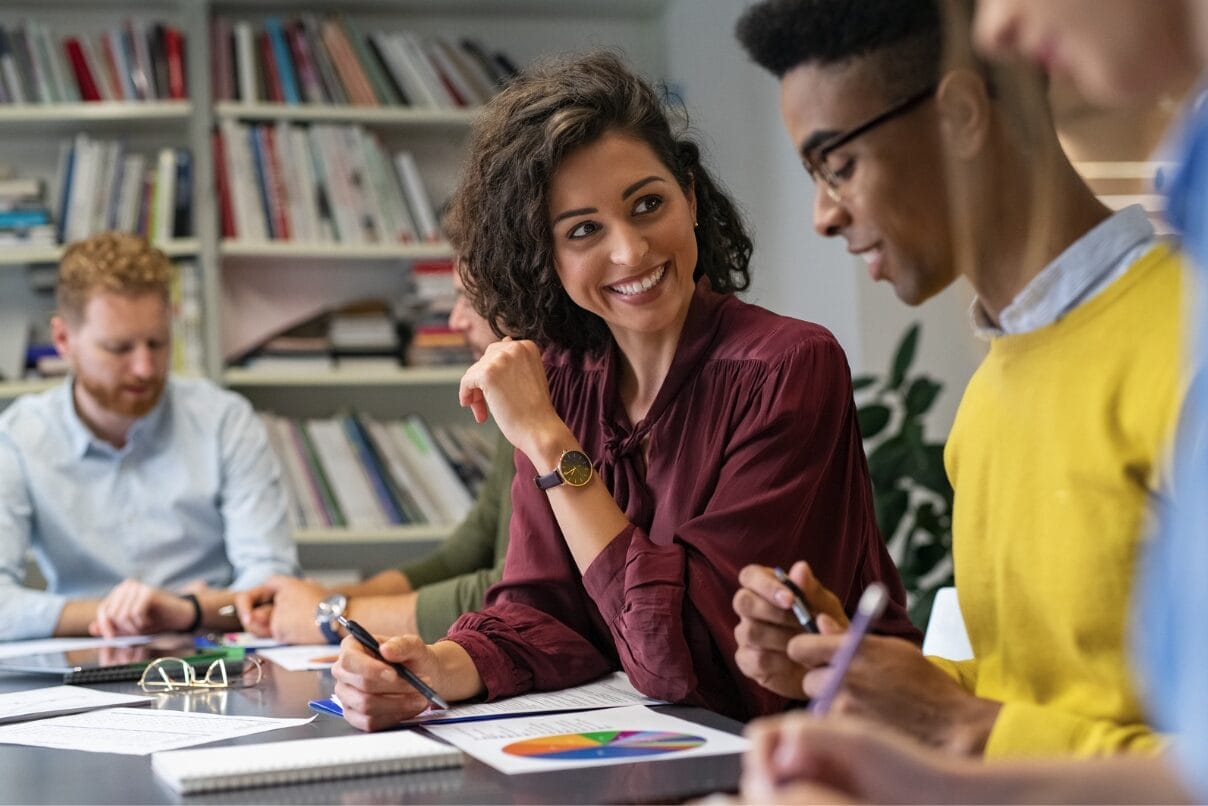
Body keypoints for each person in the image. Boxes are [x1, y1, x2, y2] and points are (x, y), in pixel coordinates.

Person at [331, 50, 919, 732]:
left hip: (829, 756)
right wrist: (439, 669)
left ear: (691, 198)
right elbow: (542, 612)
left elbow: (685, 659)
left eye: (648, 204)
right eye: (583, 230)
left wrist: (550, 443)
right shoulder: (564, 378)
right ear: (544, 256)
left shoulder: (788, 367)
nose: (632, 252)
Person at [736, 0, 1208, 802]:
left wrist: (964, 727)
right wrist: (867, 676)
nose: (822, 215)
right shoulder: (992, 392)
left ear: (958, 113)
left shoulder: (1183, 344)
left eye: (837, 165)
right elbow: (1022, 691)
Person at [0, 232, 298, 642]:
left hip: (209, 655)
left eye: (157, 343)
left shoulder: (225, 421)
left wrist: (186, 612)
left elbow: (272, 587)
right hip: (82, 658)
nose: (144, 367)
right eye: (119, 348)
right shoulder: (17, 438)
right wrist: (117, 613)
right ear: (64, 340)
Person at [233, 270, 515, 644]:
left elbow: (511, 592)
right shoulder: (515, 407)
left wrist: (333, 616)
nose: (455, 321)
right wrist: (331, 600)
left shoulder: (546, 408)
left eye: (470, 299)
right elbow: (461, 555)